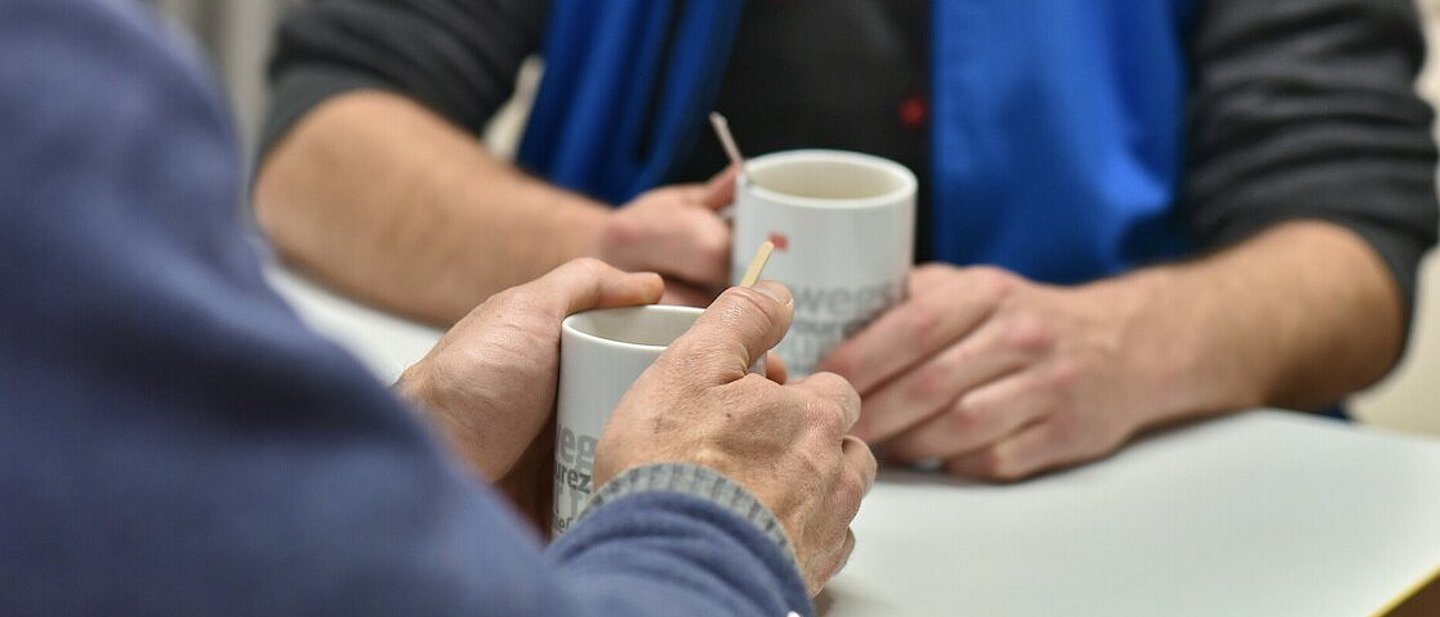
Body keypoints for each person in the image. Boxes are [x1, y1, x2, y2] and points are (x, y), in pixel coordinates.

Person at [254, 1, 1439, 480]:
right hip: (616, 505)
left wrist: (1127, 344)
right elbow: (323, 137)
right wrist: (594, 257)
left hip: (1098, 495)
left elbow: (1355, 232)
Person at [0, 1, 876, 615]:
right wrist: (713, 530)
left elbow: (156, 536)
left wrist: (418, 440)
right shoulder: (45, 96)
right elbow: (332, 114)